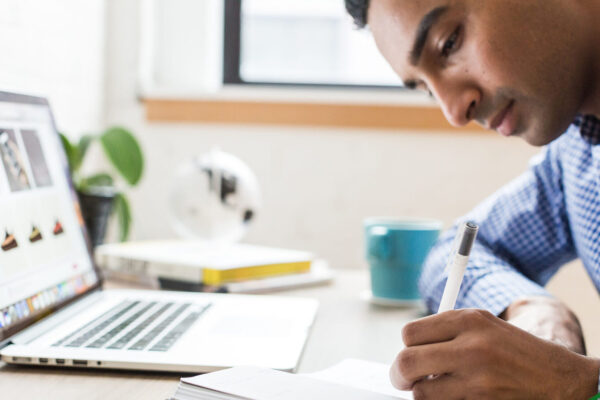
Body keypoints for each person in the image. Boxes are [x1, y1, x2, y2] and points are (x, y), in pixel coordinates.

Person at [345, 0, 600, 398]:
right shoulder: (578, 154)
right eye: (427, 88)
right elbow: (451, 254)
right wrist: (535, 311)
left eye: (449, 43)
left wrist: (580, 384)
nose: (453, 112)